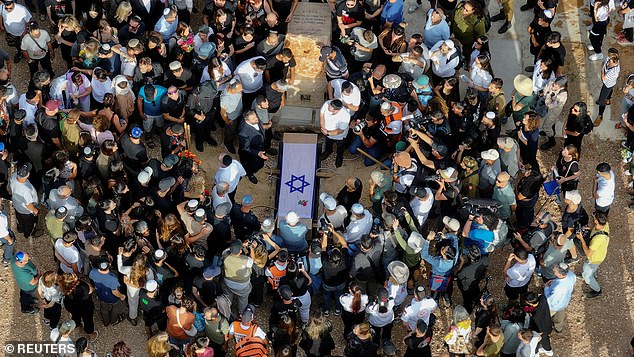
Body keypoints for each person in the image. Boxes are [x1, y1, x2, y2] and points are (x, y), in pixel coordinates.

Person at [577, 211, 609, 299]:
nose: (592, 219)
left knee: (587, 275)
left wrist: (582, 239)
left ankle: (597, 290)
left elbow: (588, 253)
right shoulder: (605, 225)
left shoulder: (597, 239)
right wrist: (590, 230)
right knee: (591, 270)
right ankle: (589, 275)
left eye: (593, 218)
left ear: (596, 221)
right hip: (600, 255)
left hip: (594, 259)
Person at [320, 99, 351, 168]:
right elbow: (321, 115)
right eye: (329, 108)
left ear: (337, 110)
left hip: (339, 136)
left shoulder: (345, 116)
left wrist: (328, 133)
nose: (329, 110)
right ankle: (328, 151)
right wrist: (323, 128)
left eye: (331, 110)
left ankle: (339, 156)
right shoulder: (327, 104)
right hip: (326, 132)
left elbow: (340, 131)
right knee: (328, 143)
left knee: (340, 146)